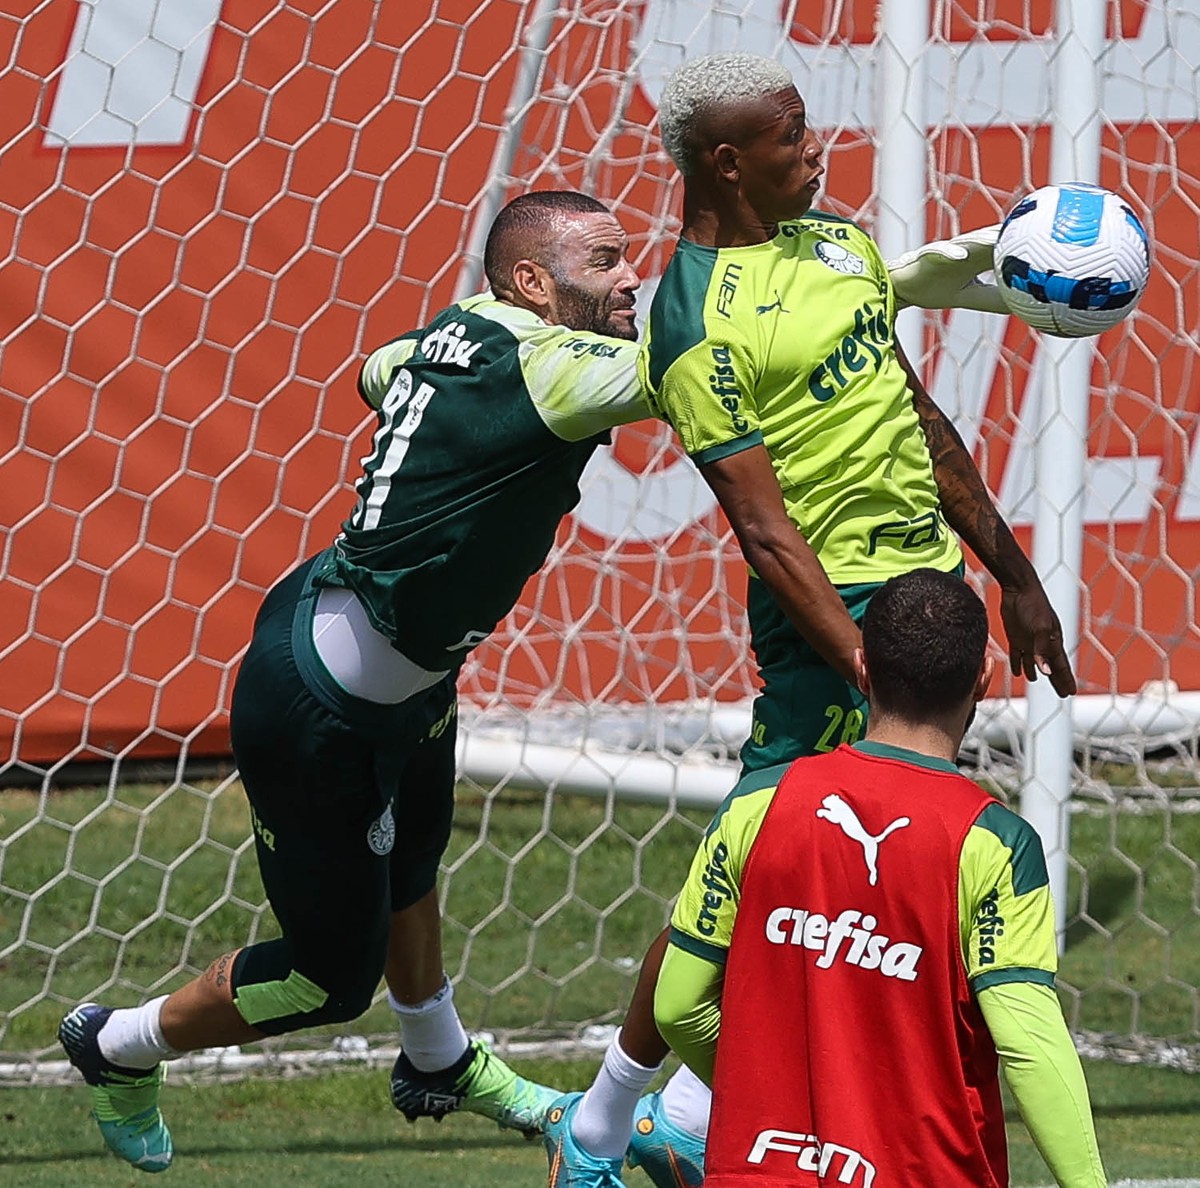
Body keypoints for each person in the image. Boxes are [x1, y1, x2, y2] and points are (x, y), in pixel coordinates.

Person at [540, 52, 1076, 1188]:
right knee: (751, 863)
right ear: (728, 162)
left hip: (931, 600)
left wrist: (1013, 576)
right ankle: (600, 1128)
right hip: (835, 621)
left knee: (852, 875)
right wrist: (868, 670)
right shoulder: (690, 322)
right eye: (792, 137)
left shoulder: (840, 245)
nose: (818, 149)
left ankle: (691, 1111)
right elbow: (765, 530)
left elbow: (917, 417)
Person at [57, 189, 655, 1173]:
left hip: (394, 662)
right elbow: (696, 375)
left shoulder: (463, 339)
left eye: (628, 257)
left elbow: (379, 369)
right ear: (533, 283)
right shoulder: (551, 364)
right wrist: (866, 295)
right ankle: (117, 1044)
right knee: (328, 981)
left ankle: (438, 1059)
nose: (631, 275)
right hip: (322, 709)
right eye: (605, 263)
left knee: (413, 859)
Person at [654, 567, 1107, 1187]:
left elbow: (677, 1006)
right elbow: (1030, 1046)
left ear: (862, 669)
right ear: (983, 679)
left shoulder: (755, 806)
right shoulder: (992, 842)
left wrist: (761, 1101)